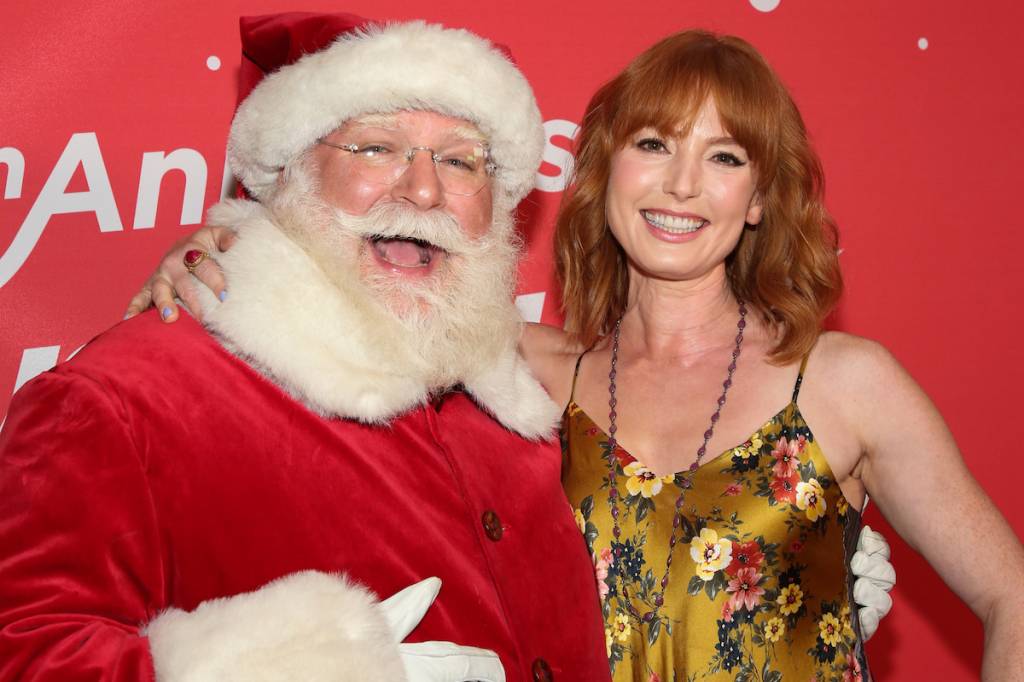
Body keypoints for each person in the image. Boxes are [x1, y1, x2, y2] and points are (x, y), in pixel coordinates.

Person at [134, 24, 1024, 682]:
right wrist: (225, 254)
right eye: (653, 145)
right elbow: (339, 301)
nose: (681, 185)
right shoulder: (513, 371)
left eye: (723, 157)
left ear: (758, 199)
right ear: (604, 174)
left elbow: (1010, 596)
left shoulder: (843, 382)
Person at [0, 14, 614, 681]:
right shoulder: (121, 403)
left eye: (460, 160)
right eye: (377, 148)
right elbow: (25, 649)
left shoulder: (513, 403)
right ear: (287, 171)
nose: (425, 189)